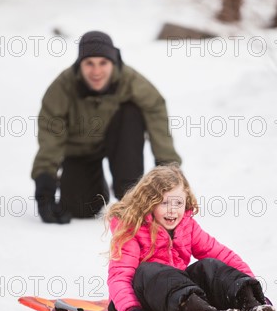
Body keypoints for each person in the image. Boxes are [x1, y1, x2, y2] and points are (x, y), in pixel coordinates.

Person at [106, 164, 276, 311]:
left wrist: (252, 288)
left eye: (178, 203)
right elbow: (119, 276)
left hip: (179, 303)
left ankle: (251, 308)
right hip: (143, 305)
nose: (172, 210)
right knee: (149, 270)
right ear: (149, 203)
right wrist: (131, 310)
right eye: (164, 203)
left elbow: (223, 255)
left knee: (209, 266)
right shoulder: (131, 230)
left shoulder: (187, 227)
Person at [31, 31, 181, 224]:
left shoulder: (129, 79)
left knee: (132, 112)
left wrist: (167, 167)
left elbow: (156, 109)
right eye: (89, 63)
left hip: (118, 142)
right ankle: (95, 184)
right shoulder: (62, 87)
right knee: (81, 209)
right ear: (79, 64)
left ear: (113, 62)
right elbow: (50, 137)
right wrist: (45, 185)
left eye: (103, 63)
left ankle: (129, 192)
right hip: (80, 150)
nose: (96, 71)